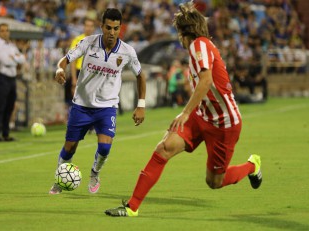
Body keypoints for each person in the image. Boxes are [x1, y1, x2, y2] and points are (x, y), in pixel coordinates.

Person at [105, 2, 262, 217]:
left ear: (182, 32)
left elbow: (205, 81)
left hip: (224, 124)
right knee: (164, 148)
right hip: (202, 116)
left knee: (214, 182)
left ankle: (252, 166)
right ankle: (132, 207)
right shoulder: (198, 49)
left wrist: (185, 112)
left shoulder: (200, 45)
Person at [49, 8, 147, 195]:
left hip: (107, 107)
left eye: (116, 28)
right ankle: (59, 180)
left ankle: (95, 173)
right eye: (108, 27)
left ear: (120, 29)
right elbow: (65, 59)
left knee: (104, 147)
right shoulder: (88, 43)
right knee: (70, 148)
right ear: (101, 26)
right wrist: (59, 71)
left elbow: (141, 76)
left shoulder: (127, 52)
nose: (112, 32)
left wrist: (141, 105)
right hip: (81, 106)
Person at [0, 23, 25, 142]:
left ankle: (5, 134)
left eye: (7, 30)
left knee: (10, 106)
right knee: (1, 106)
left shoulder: (11, 45)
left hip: (12, 79)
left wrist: (13, 58)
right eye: (2, 31)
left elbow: (22, 58)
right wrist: (15, 58)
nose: (5, 32)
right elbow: (6, 61)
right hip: (2, 78)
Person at [66, 17, 96, 109]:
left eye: (91, 26)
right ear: (83, 27)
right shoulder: (77, 40)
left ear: (94, 28)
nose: (89, 28)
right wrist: (74, 79)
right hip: (80, 72)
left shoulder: (97, 41)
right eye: (87, 26)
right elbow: (73, 61)